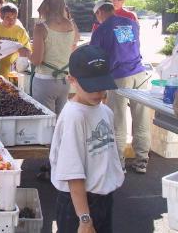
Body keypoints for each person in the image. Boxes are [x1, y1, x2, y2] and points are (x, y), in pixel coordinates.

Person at [50, 45, 124, 233]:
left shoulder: (105, 112)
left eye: (102, 85)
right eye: (92, 86)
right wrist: (84, 219)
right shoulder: (74, 117)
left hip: (103, 197)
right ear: (71, 80)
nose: (98, 93)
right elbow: (73, 174)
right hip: (79, 204)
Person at [90, 0, 150, 174]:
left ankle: (119, 163)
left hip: (119, 77)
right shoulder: (131, 23)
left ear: (99, 12)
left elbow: (94, 57)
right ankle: (142, 161)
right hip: (140, 74)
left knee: (117, 121)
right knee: (141, 118)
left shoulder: (101, 30)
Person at [28, 0, 78, 115]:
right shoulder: (72, 25)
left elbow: (36, 61)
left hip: (44, 81)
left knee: (46, 123)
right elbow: (74, 43)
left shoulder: (41, 27)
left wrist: (26, 52)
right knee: (60, 121)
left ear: (46, 7)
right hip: (64, 81)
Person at [0, 3, 31, 79]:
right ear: (2, 17)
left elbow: (27, 51)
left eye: (14, 18)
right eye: (8, 17)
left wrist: (22, 51)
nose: (11, 21)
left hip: (13, 71)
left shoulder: (21, 31)